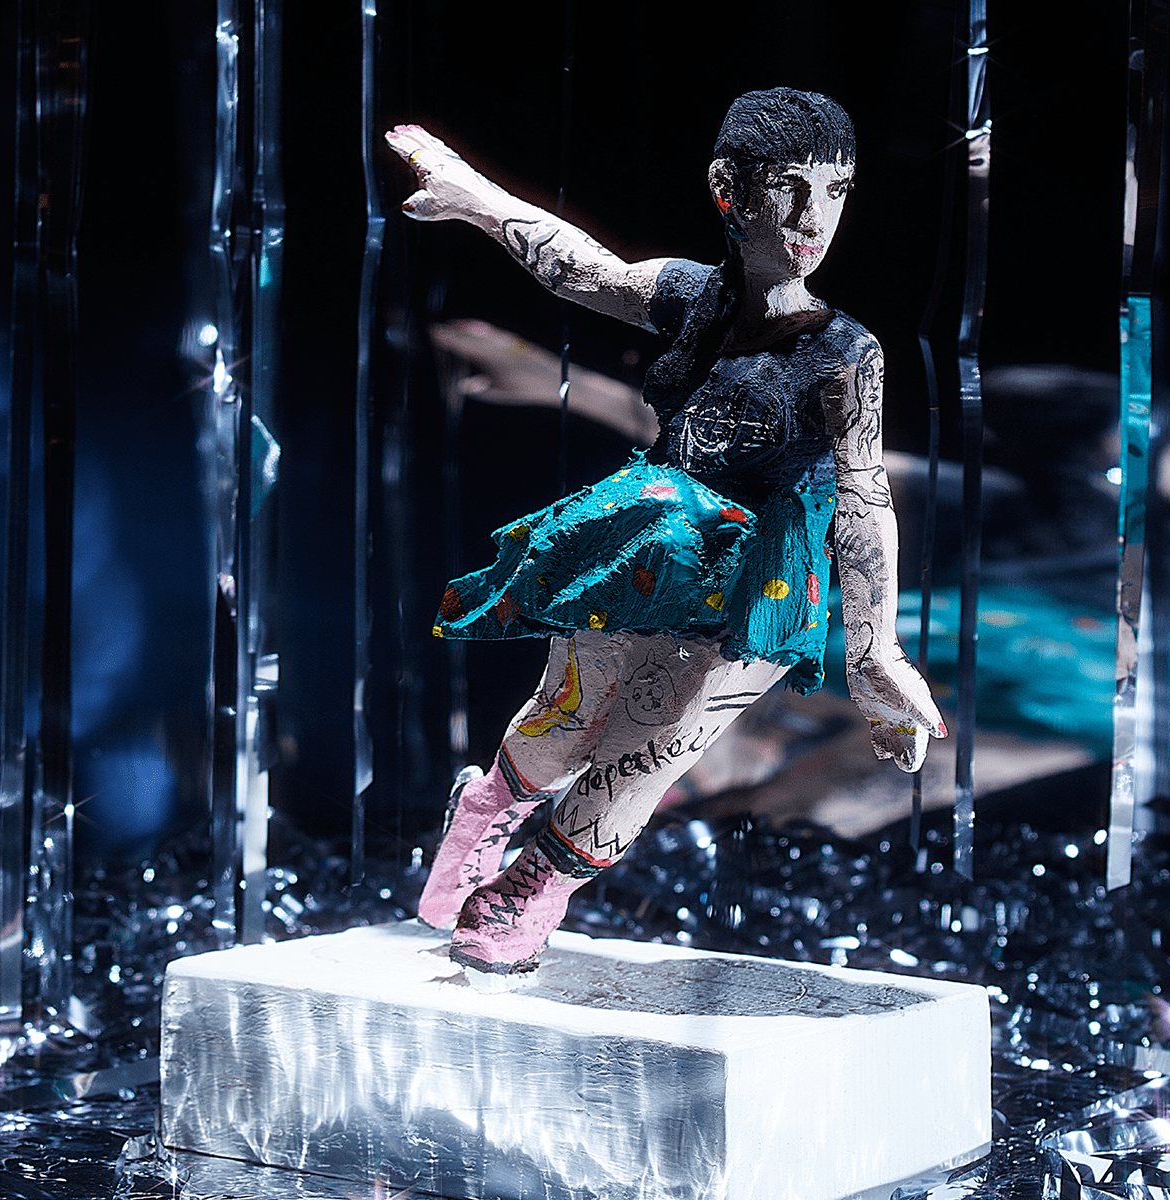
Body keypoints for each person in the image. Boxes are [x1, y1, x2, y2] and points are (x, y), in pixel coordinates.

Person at [386, 88, 943, 985]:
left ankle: (528, 891)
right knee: (566, 724)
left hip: (760, 577)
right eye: (790, 187)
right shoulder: (692, 295)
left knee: (648, 749)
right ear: (730, 187)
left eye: (835, 191)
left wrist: (877, 650)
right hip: (650, 541)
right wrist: (475, 196)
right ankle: (487, 808)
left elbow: (864, 492)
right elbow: (584, 269)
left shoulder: (846, 353)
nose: (814, 217)